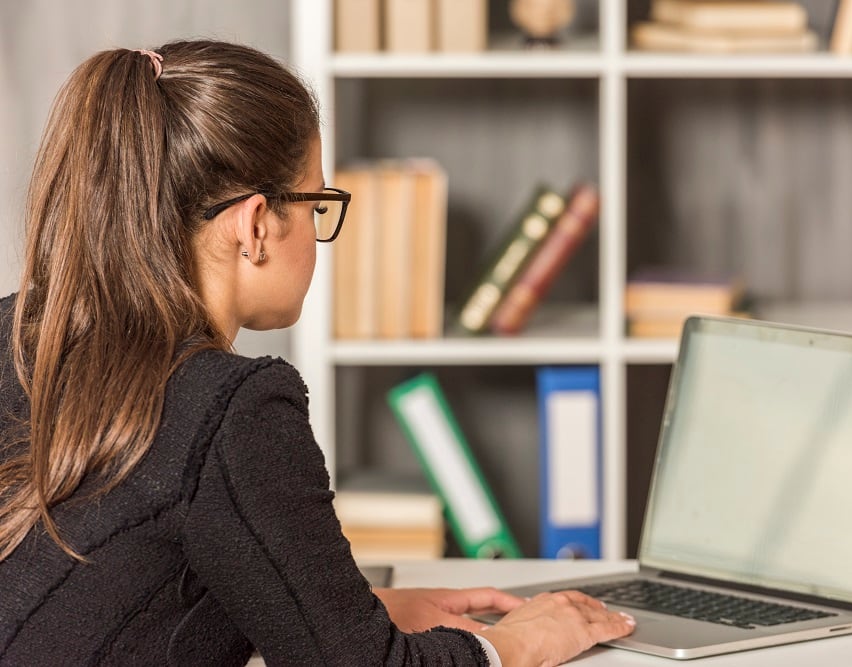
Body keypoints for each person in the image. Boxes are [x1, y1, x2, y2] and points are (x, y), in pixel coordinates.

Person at [0, 40, 634, 665]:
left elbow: (123, 585)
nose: (320, 234)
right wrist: (519, 642)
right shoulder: (228, 408)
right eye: (317, 204)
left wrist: (348, 612)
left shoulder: (18, 331)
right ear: (254, 226)